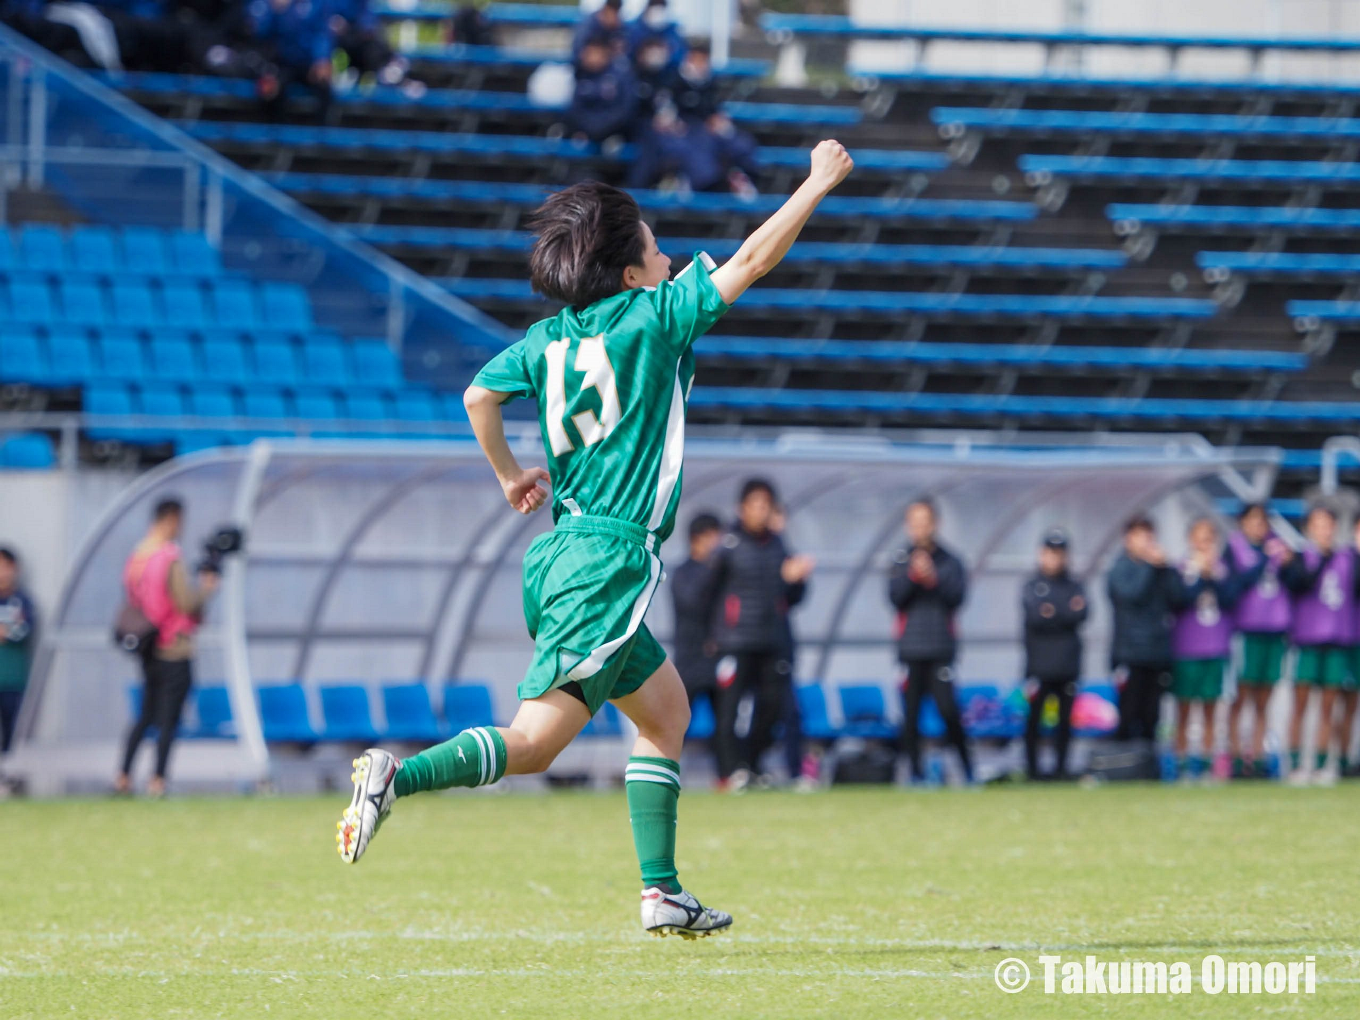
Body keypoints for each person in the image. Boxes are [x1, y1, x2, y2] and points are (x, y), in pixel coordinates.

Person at [334, 141, 856, 941]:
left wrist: (512, 475)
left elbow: (478, 394)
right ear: (630, 272)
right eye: (652, 242)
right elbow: (753, 258)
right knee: (537, 744)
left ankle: (663, 894)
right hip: (606, 561)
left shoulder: (550, 339)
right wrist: (817, 183)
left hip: (563, 555)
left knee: (666, 713)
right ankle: (396, 775)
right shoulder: (655, 318)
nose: (667, 250)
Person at [704, 480, 813, 790]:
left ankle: (752, 766)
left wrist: (796, 581)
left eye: (767, 506)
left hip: (771, 641)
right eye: (756, 505)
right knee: (729, 709)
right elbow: (708, 594)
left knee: (773, 707)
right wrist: (712, 636)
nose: (761, 512)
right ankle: (729, 772)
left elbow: (791, 598)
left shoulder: (779, 544)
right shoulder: (728, 547)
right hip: (734, 641)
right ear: (742, 509)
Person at [116, 498, 219, 796]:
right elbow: (185, 603)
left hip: (147, 644)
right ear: (172, 518)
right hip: (173, 646)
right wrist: (207, 589)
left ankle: (123, 776)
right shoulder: (168, 556)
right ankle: (157, 779)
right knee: (168, 718)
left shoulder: (138, 555)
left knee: (147, 713)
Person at [889, 499, 973, 784]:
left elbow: (957, 598)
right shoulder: (900, 560)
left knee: (949, 711)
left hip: (940, 649)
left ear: (935, 524)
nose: (919, 528)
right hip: (910, 651)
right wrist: (914, 577)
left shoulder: (950, 560)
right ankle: (915, 774)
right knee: (910, 716)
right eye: (914, 522)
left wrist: (933, 579)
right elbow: (894, 598)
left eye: (925, 521)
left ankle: (967, 771)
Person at [1169, 518, 1252, 781]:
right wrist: (1198, 577)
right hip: (1186, 649)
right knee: (1183, 710)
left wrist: (1213, 576)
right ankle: (1180, 765)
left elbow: (1230, 600)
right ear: (1190, 539)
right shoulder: (1181, 569)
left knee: (1210, 709)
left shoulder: (1224, 570)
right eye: (1200, 537)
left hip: (1216, 648)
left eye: (1209, 538)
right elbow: (1178, 601)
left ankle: (1204, 765)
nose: (1204, 544)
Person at [1280, 505, 1358, 785]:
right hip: (1307, 642)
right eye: (1318, 524)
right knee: (1300, 706)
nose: (1324, 530)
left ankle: (1325, 764)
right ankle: (1297, 764)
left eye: (1328, 524)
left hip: (1338, 642)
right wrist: (1322, 559)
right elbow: (1299, 584)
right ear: (1309, 528)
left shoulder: (1350, 558)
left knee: (1329, 707)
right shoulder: (1300, 558)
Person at [1224, 504, 1293, 778]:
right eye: (1252, 520)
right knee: (1241, 698)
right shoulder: (1235, 549)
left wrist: (1289, 565)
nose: (1258, 526)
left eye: (1262, 521)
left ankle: (1261, 758)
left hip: (1274, 633)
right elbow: (1232, 588)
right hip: (1245, 633)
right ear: (1242, 523)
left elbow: (1297, 583)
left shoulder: (1280, 550)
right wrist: (1264, 560)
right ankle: (1236, 760)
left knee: (1264, 701)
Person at [1020, 529, 1087, 781]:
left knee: (1065, 722)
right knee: (1034, 720)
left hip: (1067, 664)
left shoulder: (1074, 584)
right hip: (1038, 665)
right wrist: (1064, 613)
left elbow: (1081, 615)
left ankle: (1061, 769)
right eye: (1050, 553)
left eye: (1060, 554)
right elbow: (1037, 616)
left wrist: (1053, 612)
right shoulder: (1031, 585)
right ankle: (1032, 771)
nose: (1055, 559)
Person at [1107, 515, 1177, 746]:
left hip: (1156, 653)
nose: (1146, 542)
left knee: (1152, 716)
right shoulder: (1119, 568)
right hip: (1129, 654)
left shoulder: (1159, 569)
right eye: (1140, 536)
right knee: (1128, 713)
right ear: (1127, 539)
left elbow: (1178, 598)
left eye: (1149, 536)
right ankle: (1123, 766)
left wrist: (1166, 569)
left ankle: (1148, 769)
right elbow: (1132, 594)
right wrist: (1149, 565)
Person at [669, 512, 721, 712]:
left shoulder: (723, 572)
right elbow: (691, 602)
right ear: (697, 539)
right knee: (677, 720)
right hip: (689, 659)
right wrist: (712, 570)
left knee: (725, 728)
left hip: (718, 659)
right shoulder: (683, 573)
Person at [568, 32, 637, 145]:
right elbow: (576, 109)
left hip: (615, 132)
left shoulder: (621, 75)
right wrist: (588, 128)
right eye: (589, 53)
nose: (592, 58)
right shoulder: (580, 75)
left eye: (596, 53)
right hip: (586, 131)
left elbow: (626, 109)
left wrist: (601, 129)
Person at [0, 547, 36, 759]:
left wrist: (7, 631)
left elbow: (24, 629)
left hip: (14, 679)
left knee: (13, 732)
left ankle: (10, 777)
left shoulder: (22, 600)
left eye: (5, 566)